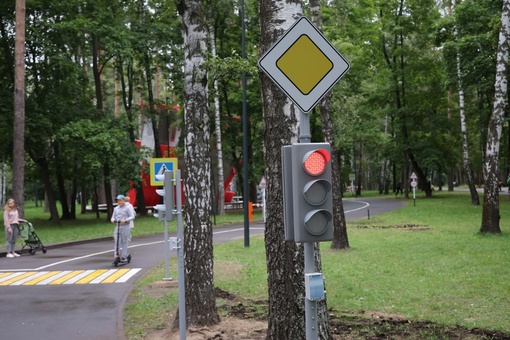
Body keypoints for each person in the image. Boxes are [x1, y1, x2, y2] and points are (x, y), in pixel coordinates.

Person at [110, 195, 135, 261]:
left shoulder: (127, 208)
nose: (119, 202)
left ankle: (124, 256)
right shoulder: (116, 209)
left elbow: (132, 216)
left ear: (123, 201)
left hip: (125, 226)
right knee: (117, 241)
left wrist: (126, 220)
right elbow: (113, 217)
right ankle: (116, 256)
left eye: (120, 200)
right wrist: (112, 219)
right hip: (118, 226)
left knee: (124, 241)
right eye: (118, 201)